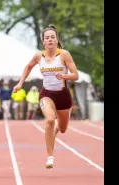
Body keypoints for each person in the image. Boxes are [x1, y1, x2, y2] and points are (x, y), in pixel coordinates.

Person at [12, 24, 79, 169]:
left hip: (63, 95)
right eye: (47, 37)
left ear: (56, 40)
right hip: (46, 94)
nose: (49, 39)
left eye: (52, 37)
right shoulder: (38, 56)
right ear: (43, 41)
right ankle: (50, 157)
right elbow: (28, 67)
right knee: (49, 119)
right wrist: (20, 83)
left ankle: (56, 129)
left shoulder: (64, 54)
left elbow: (76, 75)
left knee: (62, 129)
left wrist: (65, 75)